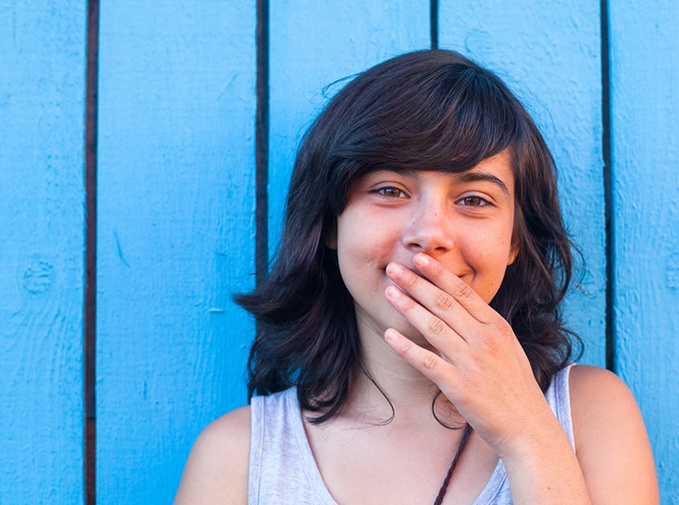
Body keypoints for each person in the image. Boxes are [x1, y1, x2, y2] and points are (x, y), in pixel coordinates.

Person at [174, 49, 658, 504]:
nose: (430, 233)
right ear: (329, 224)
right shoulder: (237, 457)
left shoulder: (590, 415)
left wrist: (526, 431)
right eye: (389, 189)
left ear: (514, 241)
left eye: (474, 200)